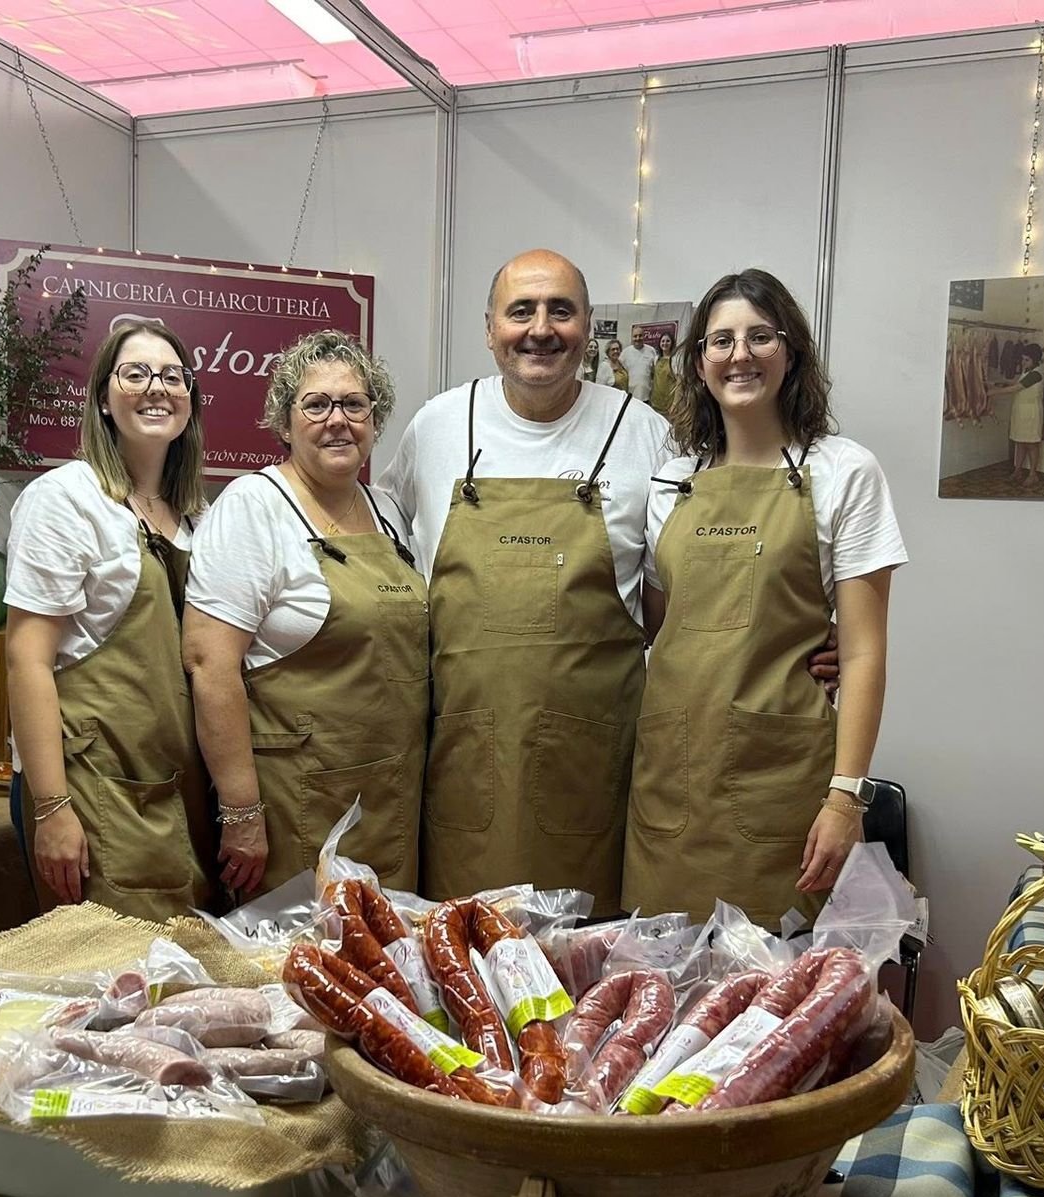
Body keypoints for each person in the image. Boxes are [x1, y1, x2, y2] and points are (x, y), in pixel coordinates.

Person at [378, 249, 838, 912]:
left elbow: (691, 589)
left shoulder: (645, 437)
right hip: (462, 763)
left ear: (588, 326)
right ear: (489, 329)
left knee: (588, 974)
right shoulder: (437, 428)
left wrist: (815, 637)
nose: (541, 328)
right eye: (521, 311)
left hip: (594, 770)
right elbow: (385, 559)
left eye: (561, 311)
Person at [623, 269, 905, 925]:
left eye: (760, 336)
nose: (739, 355)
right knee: (662, 992)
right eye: (720, 341)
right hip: (670, 785)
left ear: (792, 351)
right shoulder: (669, 483)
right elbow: (663, 628)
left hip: (783, 794)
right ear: (698, 363)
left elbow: (864, 655)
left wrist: (844, 801)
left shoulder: (842, 471)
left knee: (777, 1004)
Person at [185, 331, 423, 897]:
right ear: (284, 422)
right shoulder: (253, 506)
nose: (336, 420)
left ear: (375, 418)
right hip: (296, 806)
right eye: (315, 405)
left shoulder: (387, 510)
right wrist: (241, 814)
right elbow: (208, 666)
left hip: (390, 800)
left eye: (354, 404)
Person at [3, 321, 215, 920]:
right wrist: (51, 809)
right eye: (136, 374)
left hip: (175, 791)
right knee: (103, 986)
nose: (158, 388)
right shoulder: (66, 500)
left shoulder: (195, 516)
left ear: (190, 402)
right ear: (103, 396)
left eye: (173, 377)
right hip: (91, 791)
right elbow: (27, 658)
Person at [989, 342, 1044, 485]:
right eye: (1023, 359)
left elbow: (1016, 388)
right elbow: (1015, 382)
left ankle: (1033, 475)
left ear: (1035, 360)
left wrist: (992, 393)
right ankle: (1017, 471)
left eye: (1027, 359)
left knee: (1031, 444)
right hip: (1020, 411)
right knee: (1019, 442)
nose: (1023, 362)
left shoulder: (1036, 374)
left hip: (1031, 412)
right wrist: (997, 381)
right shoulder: (1026, 372)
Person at [619, 325, 657, 402]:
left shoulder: (651, 351)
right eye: (635, 336)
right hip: (630, 397)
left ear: (644, 336)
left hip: (647, 397)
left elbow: (654, 372)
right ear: (632, 337)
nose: (637, 338)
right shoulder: (625, 353)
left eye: (640, 335)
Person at [649, 331, 678, 415]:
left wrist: (675, 404)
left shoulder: (675, 360)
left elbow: (679, 383)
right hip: (655, 402)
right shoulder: (656, 359)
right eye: (663, 341)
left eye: (668, 341)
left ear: (672, 343)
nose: (665, 343)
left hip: (669, 403)